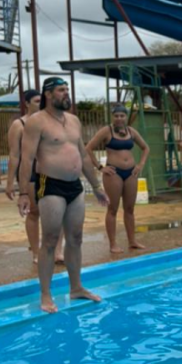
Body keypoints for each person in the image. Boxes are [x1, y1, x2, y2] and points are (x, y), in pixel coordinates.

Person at [18, 77, 110, 314]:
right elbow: (26, 159)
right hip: (50, 185)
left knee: (76, 238)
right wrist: (22, 193)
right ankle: (46, 294)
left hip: (75, 186)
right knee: (49, 239)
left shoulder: (74, 121)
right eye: (61, 90)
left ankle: (76, 287)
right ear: (48, 94)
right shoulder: (36, 122)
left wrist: (97, 186)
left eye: (67, 89)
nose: (66, 93)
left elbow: (84, 156)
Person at [5, 89, 65, 264]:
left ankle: (58, 251)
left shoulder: (51, 122)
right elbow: (14, 155)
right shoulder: (19, 125)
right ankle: (36, 252)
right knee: (34, 212)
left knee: (58, 212)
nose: (41, 104)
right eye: (37, 101)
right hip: (30, 172)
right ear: (27, 103)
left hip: (51, 171)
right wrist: (10, 182)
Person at [85, 105, 150, 254]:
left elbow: (146, 148)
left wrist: (140, 165)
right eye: (116, 116)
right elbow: (88, 148)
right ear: (112, 117)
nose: (119, 118)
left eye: (122, 116)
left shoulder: (131, 132)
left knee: (130, 209)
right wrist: (100, 167)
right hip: (114, 173)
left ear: (126, 117)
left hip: (131, 173)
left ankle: (132, 241)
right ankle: (113, 243)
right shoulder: (106, 131)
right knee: (113, 209)